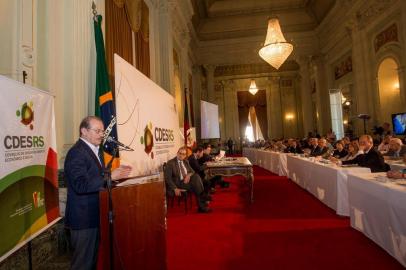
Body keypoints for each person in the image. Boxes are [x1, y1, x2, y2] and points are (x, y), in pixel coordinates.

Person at [64, 116, 132, 270]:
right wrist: (109, 176)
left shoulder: (94, 150)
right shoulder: (77, 153)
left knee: (91, 262)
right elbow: (80, 185)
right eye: (97, 131)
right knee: (82, 264)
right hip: (83, 220)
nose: (102, 134)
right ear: (84, 131)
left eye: (102, 131)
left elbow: (96, 176)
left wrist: (114, 174)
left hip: (94, 216)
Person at [164, 146, 211, 213]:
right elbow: (167, 178)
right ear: (177, 153)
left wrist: (188, 176)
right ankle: (202, 201)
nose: (181, 155)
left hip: (186, 182)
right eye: (180, 153)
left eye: (183, 154)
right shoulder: (171, 163)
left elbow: (192, 171)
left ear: (185, 155)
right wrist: (175, 188)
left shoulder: (185, 161)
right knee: (196, 182)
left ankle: (202, 206)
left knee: (196, 178)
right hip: (178, 183)